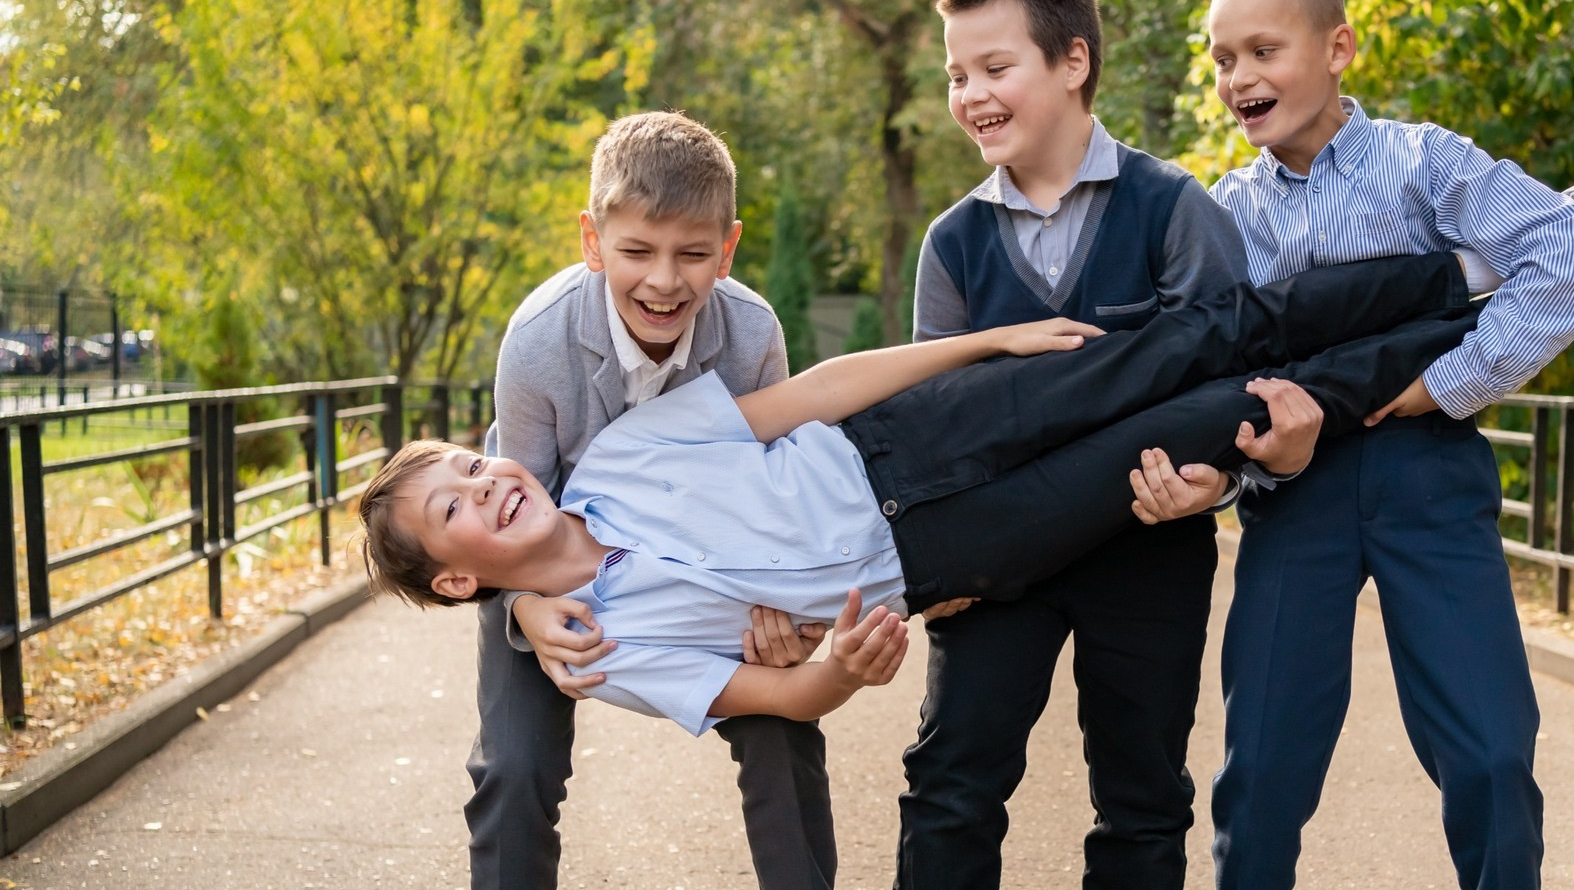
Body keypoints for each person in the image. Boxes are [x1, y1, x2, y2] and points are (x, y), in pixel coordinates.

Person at [1137, 0, 1574, 890]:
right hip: (1295, 500)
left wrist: (1441, 386)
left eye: (1262, 50)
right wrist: (1221, 471)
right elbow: (1216, 379)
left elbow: (1569, 256)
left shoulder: (1428, 163)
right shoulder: (1222, 213)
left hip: (1429, 474)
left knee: (1490, 763)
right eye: (1222, 58)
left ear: (1336, 50)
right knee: (1260, 774)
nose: (1238, 76)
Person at [358, 252, 1491, 734]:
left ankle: (1474, 276)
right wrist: (832, 667)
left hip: (901, 440)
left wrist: (988, 343)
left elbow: (813, 392)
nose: (485, 477)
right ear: (457, 574)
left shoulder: (610, 460)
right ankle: (1491, 338)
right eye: (454, 506)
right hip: (947, 555)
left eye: (469, 460)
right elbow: (784, 699)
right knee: (1211, 414)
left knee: (1185, 341)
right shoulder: (602, 654)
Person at [886, 0, 1285, 890]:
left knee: (1143, 786)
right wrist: (943, 560)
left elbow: (1234, 392)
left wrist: (1206, 490)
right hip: (1000, 570)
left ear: (1073, 61)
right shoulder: (955, 243)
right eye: (956, 74)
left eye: (992, 64)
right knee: (955, 779)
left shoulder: (1176, 211)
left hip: (1146, 554)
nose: (970, 96)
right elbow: (943, 425)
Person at [437, 111, 858, 890]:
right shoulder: (541, 342)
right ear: (593, 243)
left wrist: (779, 612)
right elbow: (512, 502)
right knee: (515, 771)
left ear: (728, 246)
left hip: (701, 560)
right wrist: (532, 613)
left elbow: (769, 492)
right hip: (552, 567)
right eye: (636, 252)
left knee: (784, 731)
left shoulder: (749, 331)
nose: (663, 279)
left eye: (690, 253)